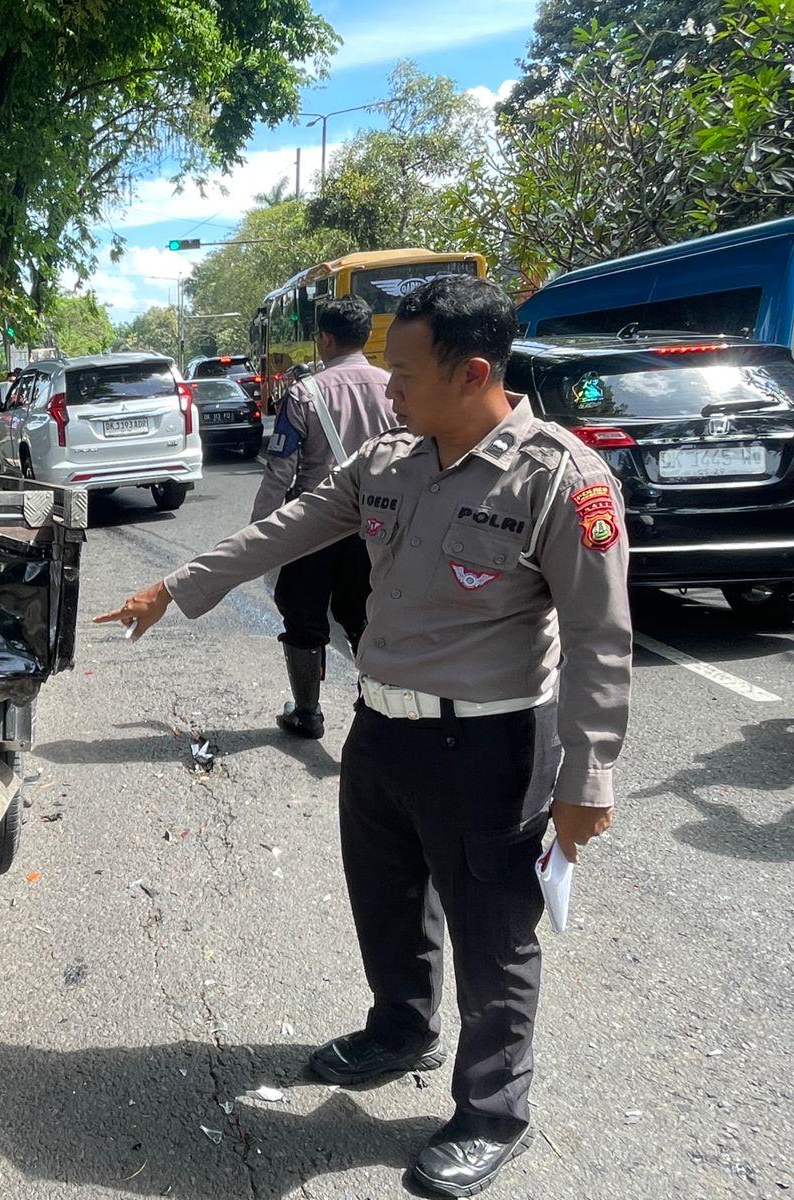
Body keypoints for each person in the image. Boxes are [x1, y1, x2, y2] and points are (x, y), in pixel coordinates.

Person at [95, 276, 632, 1198]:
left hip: (493, 747)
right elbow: (292, 523)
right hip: (382, 728)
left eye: (406, 376)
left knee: (493, 932)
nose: (388, 392)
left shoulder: (559, 478)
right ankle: (400, 1029)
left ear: (472, 374)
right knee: (385, 898)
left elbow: (599, 639)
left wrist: (588, 780)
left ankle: (493, 1110)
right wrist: (179, 585)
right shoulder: (393, 461)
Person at [253, 295, 396, 738]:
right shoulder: (394, 387)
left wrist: (259, 532)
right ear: (368, 336)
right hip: (376, 527)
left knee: (303, 620)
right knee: (367, 620)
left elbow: (280, 471)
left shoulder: (303, 392)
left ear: (325, 338)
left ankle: (307, 713)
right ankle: (377, 712)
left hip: (312, 526)